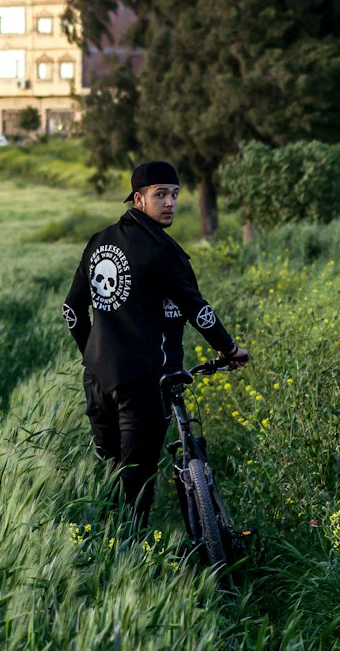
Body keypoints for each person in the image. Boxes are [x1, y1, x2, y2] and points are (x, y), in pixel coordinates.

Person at [63, 159, 248, 522]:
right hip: (143, 384)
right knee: (135, 488)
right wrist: (228, 349)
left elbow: (72, 310)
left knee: (113, 476)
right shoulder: (163, 251)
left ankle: (105, 556)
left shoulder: (99, 241)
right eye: (160, 194)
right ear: (139, 199)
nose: (170, 203)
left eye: (175, 195)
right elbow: (197, 309)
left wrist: (95, 357)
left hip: (98, 381)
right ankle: (128, 558)